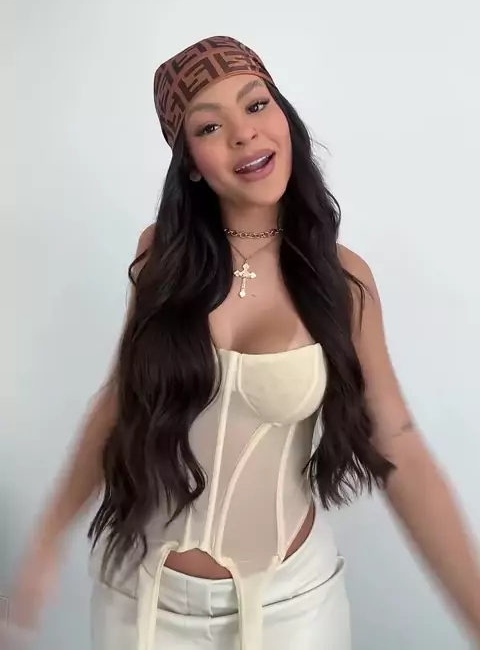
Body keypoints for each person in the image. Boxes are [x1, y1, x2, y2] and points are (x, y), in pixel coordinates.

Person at [6, 36, 480, 649]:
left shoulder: (342, 280)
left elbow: (400, 445)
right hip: (140, 600)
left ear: (284, 116)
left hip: (290, 609)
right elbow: (119, 401)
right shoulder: (160, 257)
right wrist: (46, 542)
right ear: (190, 163)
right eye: (210, 126)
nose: (243, 134)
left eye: (256, 105)